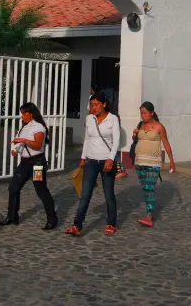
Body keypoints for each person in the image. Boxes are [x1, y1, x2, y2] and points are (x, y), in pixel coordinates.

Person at [66, 91, 120, 236]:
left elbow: (116, 142)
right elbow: (87, 139)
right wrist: (83, 159)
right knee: (85, 194)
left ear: (104, 104)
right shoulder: (89, 118)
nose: (94, 108)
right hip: (91, 161)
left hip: (106, 161)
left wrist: (110, 159)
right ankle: (77, 225)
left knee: (108, 194)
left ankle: (111, 223)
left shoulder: (113, 119)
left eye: (96, 105)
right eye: (92, 105)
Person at [0, 102, 58, 230]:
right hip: (25, 163)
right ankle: (12, 216)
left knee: (41, 190)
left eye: (24, 113)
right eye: (21, 113)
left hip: (37, 163)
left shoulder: (39, 127)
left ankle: (52, 219)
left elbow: (37, 145)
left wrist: (23, 140)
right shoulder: (24, 127)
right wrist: (15, 149)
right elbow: (18, 141)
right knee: (13, 187)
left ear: (31, 113)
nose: (22, 116)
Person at [131, 101, 176, 227]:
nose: (142, 115)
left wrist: (171, 161)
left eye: (145, 113)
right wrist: (134, 135)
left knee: (150, 188)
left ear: (151, 113)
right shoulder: (140, 125)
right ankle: (148, 212)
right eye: (141, 113)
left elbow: (166, 144)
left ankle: (149, 217)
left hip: (153, 163)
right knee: (145, 189)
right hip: (140, 161)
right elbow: (136, 141)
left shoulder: (159, 127)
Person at [89, 85, 128, 180]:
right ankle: (121, 169)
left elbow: (91, 112)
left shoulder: (94, 99)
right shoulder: (110, 106)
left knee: (110, 149)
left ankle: (121, 169)